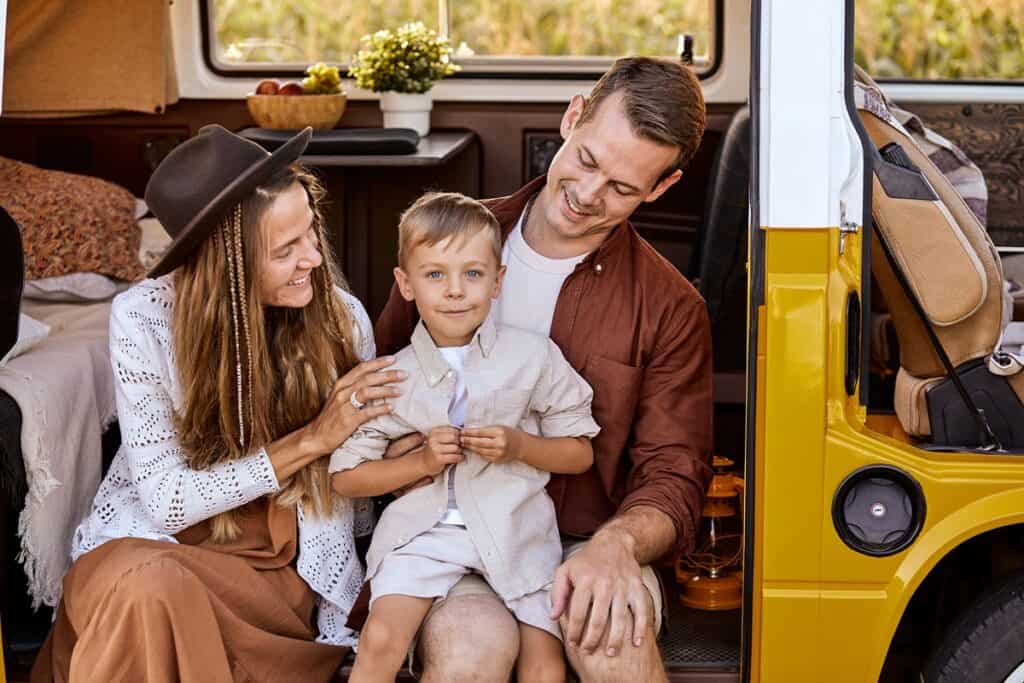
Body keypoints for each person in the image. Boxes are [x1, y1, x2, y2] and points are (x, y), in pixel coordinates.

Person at [373, 56, 713, 682]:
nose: (587, 197)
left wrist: (620, 545)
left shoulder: (672, 307)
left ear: (662, 188)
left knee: (610, 634)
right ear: (573, 116)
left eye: (622, 189)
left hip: (591, 541)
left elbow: (676, 473)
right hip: (452, 534)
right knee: (470, 651)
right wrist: (408, 453)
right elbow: (382, 388)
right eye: (588, 161)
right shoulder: (446, 243)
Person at [32, 125, 409, 682]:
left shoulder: (341, 318)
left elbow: (358, 488)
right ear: (226, 265)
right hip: (148, 540)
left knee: (153, 597)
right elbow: (166, 503)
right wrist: (312, 439)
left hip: (275, 560)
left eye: (310, 232)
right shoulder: (142, 318)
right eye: (285, 250)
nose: (312, 258)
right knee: (145, 591)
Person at [331, 192, 600, 683]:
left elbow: (579, 451)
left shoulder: (532, 357)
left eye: (473, 274)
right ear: (405, 284)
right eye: (435, 274)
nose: (455, 291)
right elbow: (347, 478)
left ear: (497, 281)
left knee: (543, 663)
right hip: (423, 536)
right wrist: (420, 464)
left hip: (517, 531)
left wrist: (521, 446)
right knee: (381, 638)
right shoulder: (392, 377)